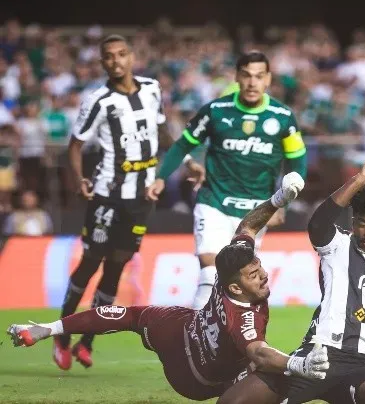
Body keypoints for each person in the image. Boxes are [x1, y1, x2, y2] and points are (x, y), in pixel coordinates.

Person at [7, 172, 331, 401]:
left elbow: (248, 225)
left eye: (258, 266)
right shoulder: (243, 316)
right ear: (234, 289)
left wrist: (278, 199)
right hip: (203, 382)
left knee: (132, 315)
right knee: (276, 374)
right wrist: (297, 363)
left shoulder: (227, 272)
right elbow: (258, 351)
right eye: (253, 274)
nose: (262, 275)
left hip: (179, 333)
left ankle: (46, 330)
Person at [220, 156, 365, 404]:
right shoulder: (338, 244)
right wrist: (360, 180)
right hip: (315, 357)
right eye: (362, 224)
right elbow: (318, 222)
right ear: (353, 222)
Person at [147, 50, 308, 310]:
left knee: (244, 286)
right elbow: (181, 145)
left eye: (258, 76)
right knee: (211, 275)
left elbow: (298, 163)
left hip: (256, 213)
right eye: (246, 75)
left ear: (267, 79)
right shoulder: (216, 111)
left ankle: (236, 346)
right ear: (237, 77)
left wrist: (283, 204)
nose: (252, 82)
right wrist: (161, 178)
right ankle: (194, 340)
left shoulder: (282, 117)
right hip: (215, 202)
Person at [57, 34, 178, 370]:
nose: (116, 61)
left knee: (116, 268)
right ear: (102, 63)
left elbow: (163, 132)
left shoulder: (153, 89)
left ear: (132, 56)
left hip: (142, 197)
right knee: (91, 262)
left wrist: (187, 159)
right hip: (108, 194)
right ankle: (62, 333)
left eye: (121, 54)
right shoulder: (98, 100)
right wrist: (80, 179)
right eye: (108, 57)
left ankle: (87, 341)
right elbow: (75, 145)